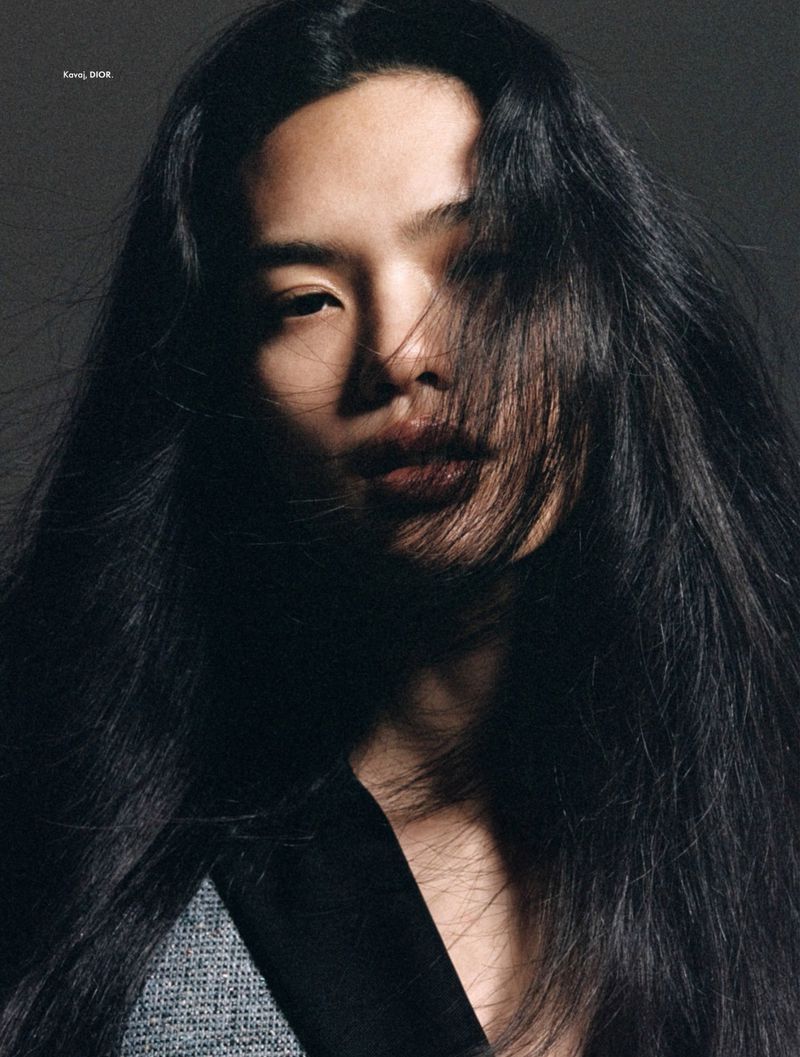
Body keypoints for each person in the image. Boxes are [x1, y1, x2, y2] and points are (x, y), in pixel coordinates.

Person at [1, 1, 798, 1055]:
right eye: (304, 301)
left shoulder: (762, 807)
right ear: (226, 389)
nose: (400, 353)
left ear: (607, 304)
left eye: (482, 262)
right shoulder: (112, 894)